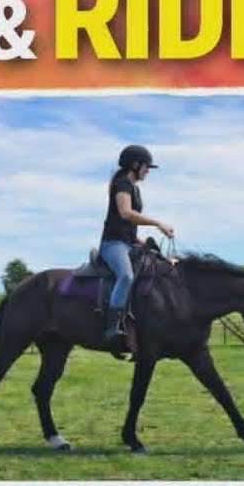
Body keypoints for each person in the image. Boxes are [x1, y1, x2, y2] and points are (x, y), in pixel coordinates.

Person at [99, 144, 175, 341]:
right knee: (125, 276)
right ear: (135, 165)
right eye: (146, 166)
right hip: (113, 244)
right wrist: (158, 223)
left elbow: (129, 226)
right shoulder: (123, 184)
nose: (148, 170)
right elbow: (126, 213)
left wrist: (143, 242)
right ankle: (111, 326)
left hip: (128, 243)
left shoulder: (135, 190)